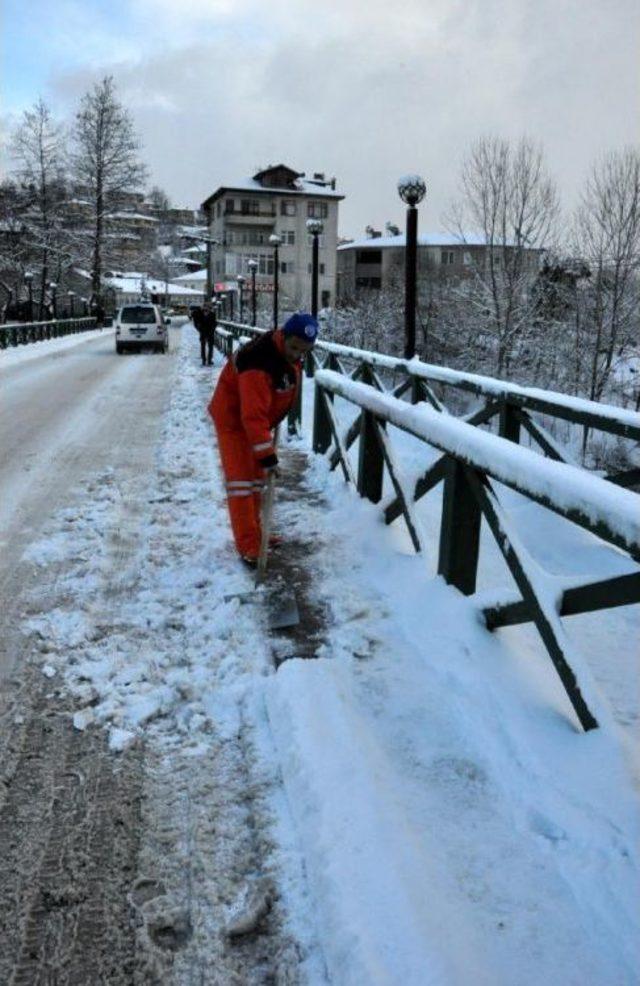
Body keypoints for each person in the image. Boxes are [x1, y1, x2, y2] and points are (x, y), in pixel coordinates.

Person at [208, 311, 319, 566]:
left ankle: (259, 534)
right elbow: (252, 415)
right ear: (284, 335)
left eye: (304, 351)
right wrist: (268, 456)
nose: (297, 355)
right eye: (294, 348)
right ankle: (248, 545)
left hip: (256, 420)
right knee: (241, 483)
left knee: (257, 480)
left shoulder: (287, 351)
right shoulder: (258, 361)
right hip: (234, 420)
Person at [196, 301, 216, 366]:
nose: (206, 308)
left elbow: (214, 324)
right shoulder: (201, 314)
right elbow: (198, 323)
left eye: (207, 307)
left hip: (208, 333)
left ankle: (207, 360)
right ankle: (205, 360)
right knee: (205, 347)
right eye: (205, 307)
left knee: (208, 347)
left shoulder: (212, 314)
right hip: (205, 332)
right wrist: (200, 329)